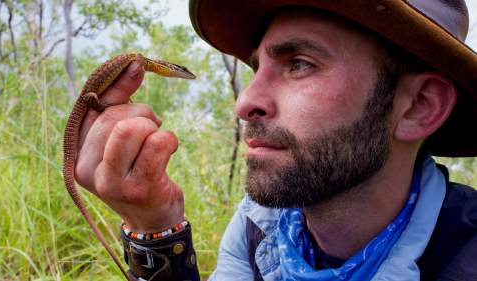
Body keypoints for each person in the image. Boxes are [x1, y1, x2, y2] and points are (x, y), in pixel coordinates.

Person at [74, 0, 477, 280]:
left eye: (299, 64)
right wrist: (155, 227)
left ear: (419, 106)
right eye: (256, 67)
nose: (245, 101)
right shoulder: (260, 228)